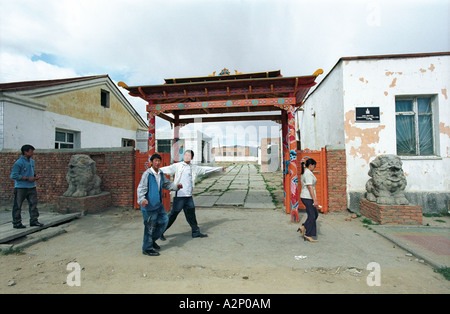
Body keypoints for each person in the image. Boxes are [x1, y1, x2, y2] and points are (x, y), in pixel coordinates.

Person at [159, 150, 225, 240]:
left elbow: (206, 169)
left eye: (189, 155)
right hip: (179, 196)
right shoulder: (178, 166)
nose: (186, 157)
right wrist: (154, 170)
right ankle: (159, 232)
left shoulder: (194, 168)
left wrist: (220, 168)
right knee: (173, 215)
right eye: (185, 155)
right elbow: (167, 169)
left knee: (191, 215)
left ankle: (196, 232)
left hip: (188, 196)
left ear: (192, 158)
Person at [137, 153, 182, 256]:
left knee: (164, 221)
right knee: (150, 227)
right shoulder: (147, 174)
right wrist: (142, 200)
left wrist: (176, 187)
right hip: (148, 206)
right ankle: (147, 248)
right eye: (155, 161)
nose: (157, 163)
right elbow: (141, 188)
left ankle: (151, 241)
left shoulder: (160, 173)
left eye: (159, 161)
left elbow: (167, 184)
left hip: (158, 205)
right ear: (151, 162)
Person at [10, 144, 43, 229]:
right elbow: (14, 175)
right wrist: (28, 178)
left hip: (31, 187)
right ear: (25, 152)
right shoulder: (18, 163)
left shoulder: (32, 162)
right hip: (21, 187)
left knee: (33, 204)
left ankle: (34, 220)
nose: (32, 153)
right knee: (18, 205)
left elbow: (31, 171)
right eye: (31, 151)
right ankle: (17, 223)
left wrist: (35, 176)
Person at [297, 158, 319, 242]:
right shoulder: (308, 174)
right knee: (312, 215)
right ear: (311, 165)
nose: (315, 167)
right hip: (307, 197)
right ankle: (308, 234)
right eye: (314, 166)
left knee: (315, 214)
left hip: (307, 197)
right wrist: (315, 200)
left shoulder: (306, 172)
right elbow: (310, 187)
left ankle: (303, 226)